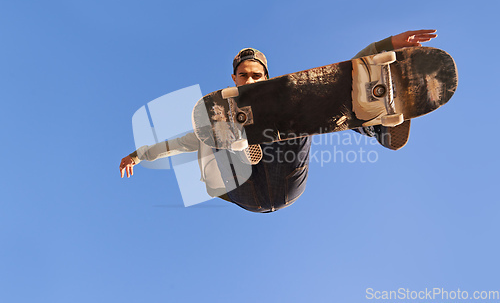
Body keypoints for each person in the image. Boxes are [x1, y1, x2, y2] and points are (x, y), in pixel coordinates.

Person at [120, 29, 438, 213]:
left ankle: (376, 121)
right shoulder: (219, 116)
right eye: (243, 75)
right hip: (242, 191)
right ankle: (240, 143)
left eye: (256, 75)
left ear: (265, 77)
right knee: (216, 125)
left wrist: (379, 50)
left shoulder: (281, 101)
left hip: (286, 183)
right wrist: (138, 155)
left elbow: (330, 90)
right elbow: (176, 144)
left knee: (298, 103)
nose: (249, 79)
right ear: (233, 77)